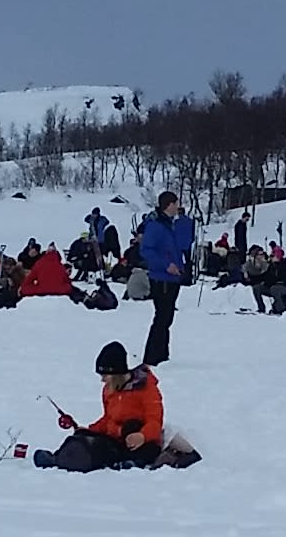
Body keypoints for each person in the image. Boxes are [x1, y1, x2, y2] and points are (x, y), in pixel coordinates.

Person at [39, 341, 186, 470]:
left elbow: (155, 422)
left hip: (140, 441)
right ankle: (58, 457)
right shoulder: (109, 390)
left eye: (105, 376)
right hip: (115, 438)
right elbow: (108, 418)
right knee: (83, 437)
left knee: (136, 435)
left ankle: (131, 462)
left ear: (117, 374)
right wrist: (89, 429)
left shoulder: (147, 389)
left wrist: (142, 436)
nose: (103, 380)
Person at [135, 190, 198, 365]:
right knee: (162, 317)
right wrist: (166, 265)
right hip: (161, 277)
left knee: (167, 317)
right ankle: (152, 357)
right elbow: (146, 250)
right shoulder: (156, 226)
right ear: (169, 205)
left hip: (172, 277)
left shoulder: (171, 225)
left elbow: (183, 244)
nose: (178, 206)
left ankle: (162, 354)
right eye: (176, 203)